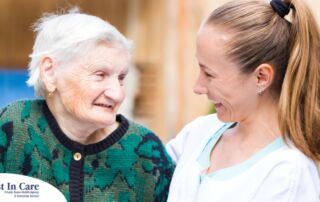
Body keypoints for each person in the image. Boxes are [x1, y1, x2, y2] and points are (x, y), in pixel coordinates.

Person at [0, 9, 174, 202]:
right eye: (100, 75)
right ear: (50, 72)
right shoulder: (14, 127)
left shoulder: (146, 152)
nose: (117, 94)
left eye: (121, 78)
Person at [166, 0, 320, 201]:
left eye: (209, 74)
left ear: (261, 77)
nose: (198, 87)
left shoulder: (288, 175)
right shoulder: (199, 133)